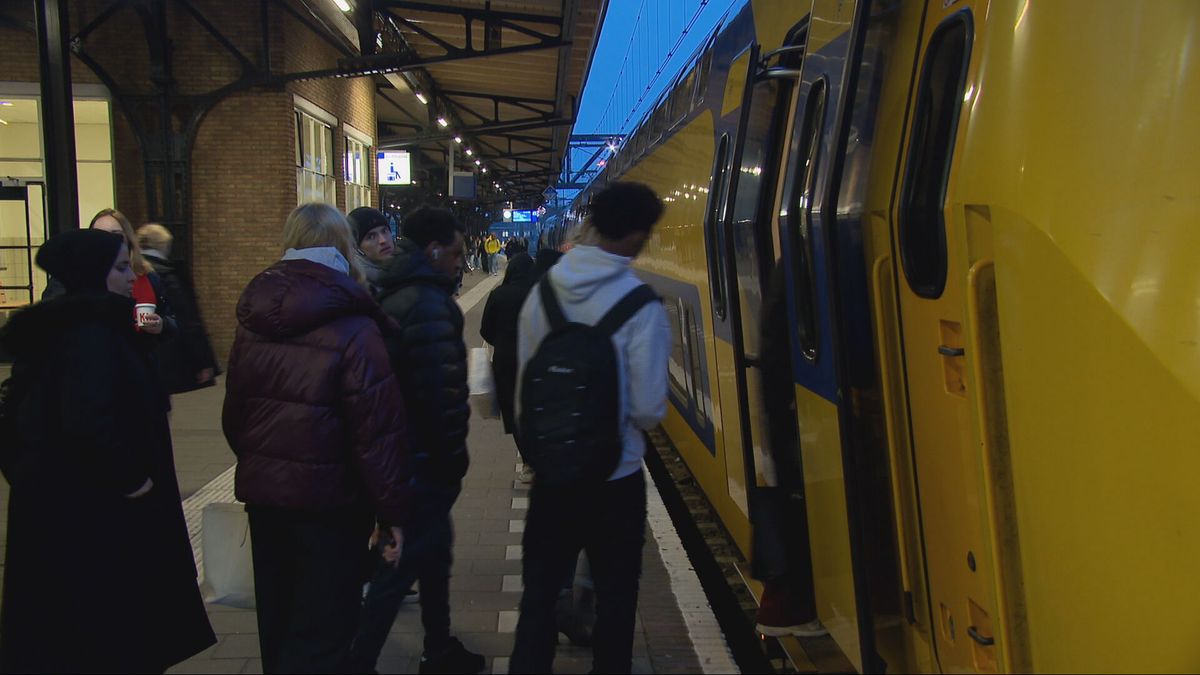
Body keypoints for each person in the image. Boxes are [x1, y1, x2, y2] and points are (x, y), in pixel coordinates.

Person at [0, 229, 215, 672]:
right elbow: (89, 419)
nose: (128, 277)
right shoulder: (91, 334)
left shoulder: (63, 328)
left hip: (69, 507)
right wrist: (132, 479)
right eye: (119, 268)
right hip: (98, 511)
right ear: (93, 273)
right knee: (113, 624)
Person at [222, 203, 414, 674]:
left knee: (279, 623)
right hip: (332, 507)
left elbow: (235, 418)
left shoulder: (252, 320)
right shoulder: (355, 324)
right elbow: (376, 435)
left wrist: (268, 467)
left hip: (266, 505)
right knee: (326, 631)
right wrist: (392, 515)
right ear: (344, 248)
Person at [509, 182, 671, 674]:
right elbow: (646, 410)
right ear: (640, 234)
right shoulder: (641, 304)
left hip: (553, 476)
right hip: (614, 479)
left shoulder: (543, 292)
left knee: (537, 596)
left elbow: (523, 391)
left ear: (593, 224)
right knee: (617, 599)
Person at [353, 207, 484, 675]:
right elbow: (439, 401)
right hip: (422, 463)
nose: (459, 263)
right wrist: (452, 463)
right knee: (399, 570)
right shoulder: (428, 306)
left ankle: (439, 647)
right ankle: (362, 661)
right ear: (433, 251)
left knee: (432, 557)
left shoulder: (397, 293)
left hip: (407, 458)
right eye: (456, 254)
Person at [750, 260, 827, 638]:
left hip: (784, 411)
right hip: (793, 417)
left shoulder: (788, 267)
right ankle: (790, 604)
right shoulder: (803, 262)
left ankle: (786, 601)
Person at [137, 223, 220, 394]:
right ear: (164, 245)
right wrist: (203, 361)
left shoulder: (131, 272)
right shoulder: (168, 276)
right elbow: (188, 320)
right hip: (168, 352)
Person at [479, 252, 536, 439]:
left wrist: (501, 341)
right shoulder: (540, 294)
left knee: (512, 412)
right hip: (534, 361)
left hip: (505, 362)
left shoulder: (498, 295)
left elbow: (485, 330)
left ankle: (525, 454)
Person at [348, 206, 395, 295]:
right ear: (357, 248)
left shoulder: (409, 269)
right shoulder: (354, 286)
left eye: (384, 231)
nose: (383, 240)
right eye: (371, 237)